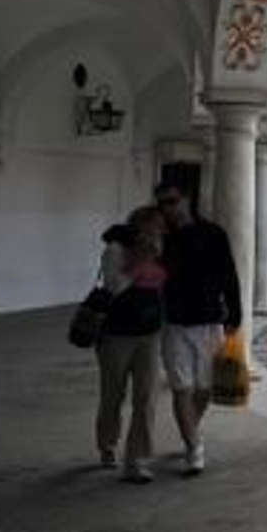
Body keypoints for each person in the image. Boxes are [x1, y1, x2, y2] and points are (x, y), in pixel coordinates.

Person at [154, 180, 241, 476]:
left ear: (187, 198)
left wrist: (235, 314)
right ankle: (194, 447)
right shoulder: (162, 237)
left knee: (204, 388)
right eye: (162, 203)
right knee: (182, 388)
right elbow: (149, 275)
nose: (168, 208)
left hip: (209, 321)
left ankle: (190, 429)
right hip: (174, 322)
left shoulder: (213, 233)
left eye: (172, 200)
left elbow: (229, 274)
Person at [91, 206, 166, 483]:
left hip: (150, 333)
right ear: (141, 225)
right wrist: (139, 263)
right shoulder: (116, 248)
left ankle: (138, 461)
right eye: (157, 225)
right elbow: (113, 287)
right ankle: (107, 446)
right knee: (113, 395)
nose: (162, 230)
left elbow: (162, 288)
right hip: (116, 334)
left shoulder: (161, 250)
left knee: (146, 398)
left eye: (163, 226)